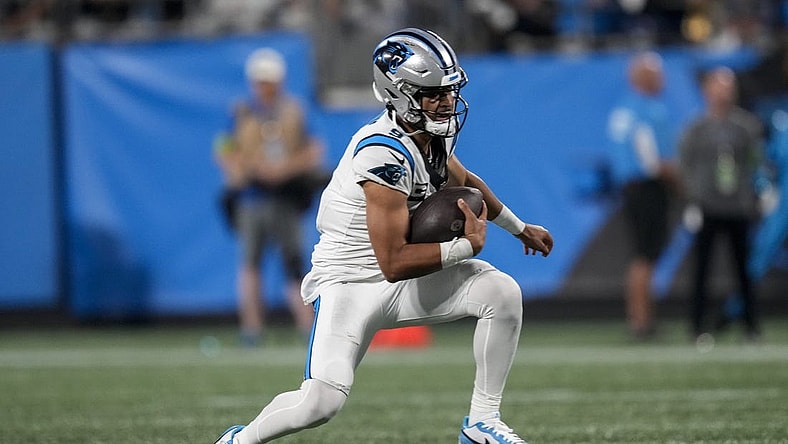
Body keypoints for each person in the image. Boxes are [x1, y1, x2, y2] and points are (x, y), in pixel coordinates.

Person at [214, 28, 553, 444]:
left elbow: (463, 180)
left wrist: (518, 228)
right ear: (400, 95)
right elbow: (392, 262)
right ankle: (238, 441)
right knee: (320, 402)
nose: (447, 102)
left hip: (400, 279)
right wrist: (466, 246)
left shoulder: (431, 133)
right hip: (351, 283)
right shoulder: (381, 154)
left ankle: (481, 423)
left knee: (501, 292)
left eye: (449, 91)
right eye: (434, 94)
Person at [214, 47, 325, 346]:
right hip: (252, 197)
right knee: (251, 264)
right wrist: (251, 169)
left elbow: (314, 150)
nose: (266, 87)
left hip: (286, 196)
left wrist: (286, 169)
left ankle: (307, 328)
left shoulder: (293, 111)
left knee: (293, 263)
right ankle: (252, 328)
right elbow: (223, 150)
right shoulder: (241, 112)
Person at [677, 67, 764, 342]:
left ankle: (751, 325)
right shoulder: (696, 128)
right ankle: (697, 325)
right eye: (718, 86)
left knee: (744, 270)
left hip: (738, 206)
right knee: (702, 270)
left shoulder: (746, 126)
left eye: (727, 86)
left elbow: (757, 164)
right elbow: (685, 167)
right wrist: (691, 201)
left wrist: (758, 196)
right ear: (707, 91)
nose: (723, 92)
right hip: (707, 206)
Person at [606, 51, 678, 340]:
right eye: (657, 74)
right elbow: (653, 161)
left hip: (630, 188)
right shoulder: (649, 110)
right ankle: (642, 320)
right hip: (649, 188)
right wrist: (681, 184)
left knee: (641, 254)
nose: (662, 79)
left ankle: (639, 317)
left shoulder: (622, 110)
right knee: (646, 255)